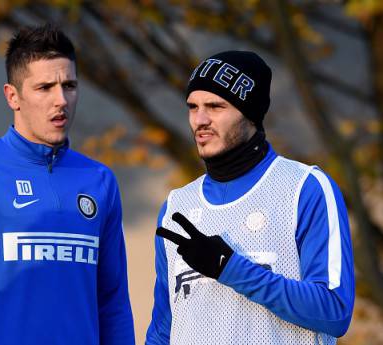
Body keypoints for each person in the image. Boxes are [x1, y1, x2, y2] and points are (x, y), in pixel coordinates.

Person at [0, 24, 135, 345]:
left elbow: (113, 302)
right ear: (13, 96)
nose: (61, 99)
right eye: (45, 87)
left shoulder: (100, 180)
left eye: (70, 85)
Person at [146, 50, 354, 345]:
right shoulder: (176, 206)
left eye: (215, 106)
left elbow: (334, 310)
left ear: (250, 113)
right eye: (193, 107)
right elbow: (163, 329)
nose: (199, 120)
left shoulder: (305, 187)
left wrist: (230, 268)